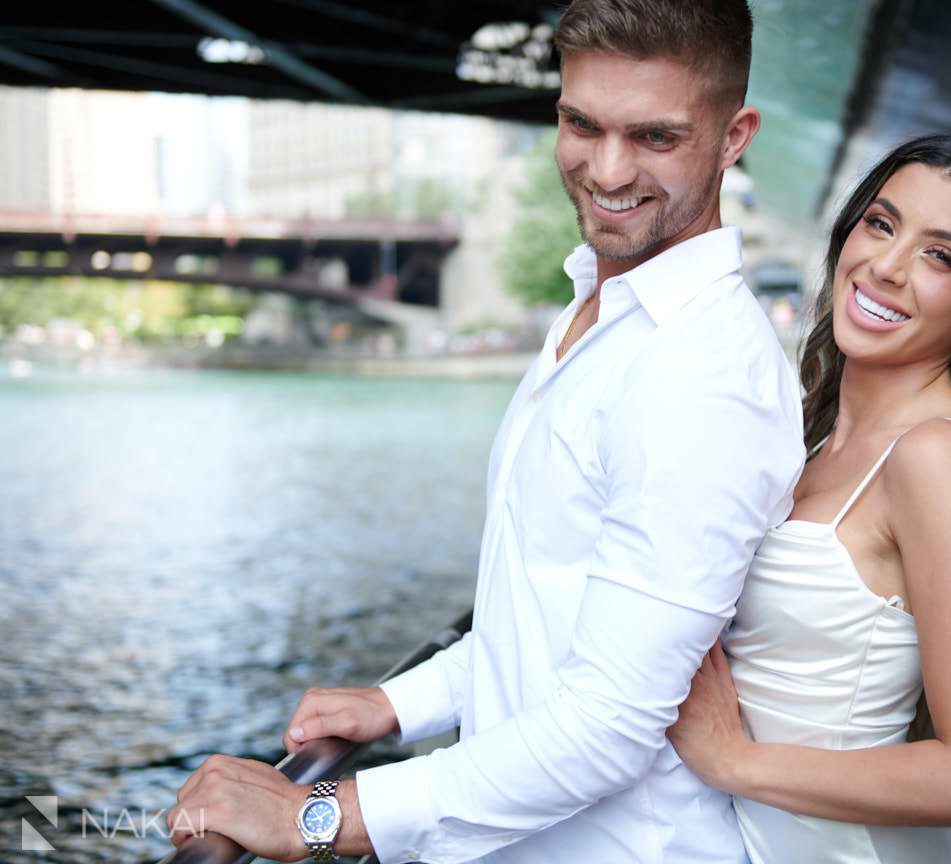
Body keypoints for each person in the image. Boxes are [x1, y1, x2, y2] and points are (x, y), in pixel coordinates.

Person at [168, 2, 806, 862]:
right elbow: (545, 614)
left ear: (735, 138)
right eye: (582, 124)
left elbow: (609, 727)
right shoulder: (604, 304)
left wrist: (312, 816)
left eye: (655, 137)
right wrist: (406, 703)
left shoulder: (701, 379)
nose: (607, 169)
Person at [667, 134, 951, 863]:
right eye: (880, 224)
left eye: (940, 256)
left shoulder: (933, 457)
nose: (886, 266)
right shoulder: (814, 432)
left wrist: (735, 762)